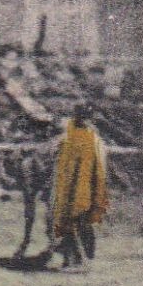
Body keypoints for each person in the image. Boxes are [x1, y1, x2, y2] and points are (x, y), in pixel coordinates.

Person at [52, 103, 109, 267]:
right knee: (66, 218)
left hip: (86, 185)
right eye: (79, 117)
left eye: (84, 117)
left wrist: (97, 187)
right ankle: (72, 256)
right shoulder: (68, 135)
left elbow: (100, 166)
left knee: (82, 218)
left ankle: (86, 256)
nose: (82, 120)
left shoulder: (94, 139)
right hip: (68, 185)